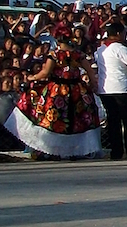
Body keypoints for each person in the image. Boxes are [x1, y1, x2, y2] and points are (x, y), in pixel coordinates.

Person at [5, 29, 102, 158]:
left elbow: (46, 72)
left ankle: (52, 150)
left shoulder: (55, 55)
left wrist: (32, 78)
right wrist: (93, 85)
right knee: (76, 119)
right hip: (77, 90)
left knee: (53, 119)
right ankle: (75, 151)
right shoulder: (78, 54)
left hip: (58, 91)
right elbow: (90, 71)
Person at [95, 21, 127, 161]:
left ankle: (116, 152)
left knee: (113, 122)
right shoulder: (119, 48)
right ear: (118, 33)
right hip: (121, 87)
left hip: (105, 89)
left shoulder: (100, 49)